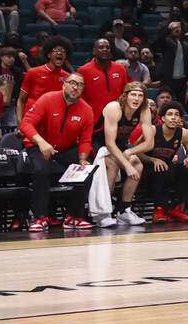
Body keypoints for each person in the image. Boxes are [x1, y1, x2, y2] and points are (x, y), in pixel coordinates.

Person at [21, 71, 94, 231]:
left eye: (80, 85)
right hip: (38, 145)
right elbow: (26, 124)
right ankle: (40, 217)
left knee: (85, 170)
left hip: (65, 148)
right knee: (42, 169)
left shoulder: (86, 110)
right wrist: (41, 142)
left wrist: (82, 158)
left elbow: (86, 140)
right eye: (72, 83)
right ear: (64, 84)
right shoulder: (47, 99)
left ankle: (74, 216)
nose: (76, 87)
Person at [98, 82, 156, 227]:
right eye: (133, 95)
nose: (137, 98)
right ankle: (104, 213)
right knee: (113, 164)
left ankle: (123, 210)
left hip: (120, 145)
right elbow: (109, 143)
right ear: (126, 96)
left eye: (140, 95)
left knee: (137, 164)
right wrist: (126, 165)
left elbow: (149, 143)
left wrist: (130, 152)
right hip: (98, 144)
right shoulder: (114, 107)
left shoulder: (144, 110)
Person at [142, 101, 188, 223]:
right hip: (147, 169)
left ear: (180, 118)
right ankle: (159, 210)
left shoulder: (183, 133)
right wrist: (153, 159)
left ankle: (175, 208)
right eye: (170, 114)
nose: (173, 117)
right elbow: (136, 151)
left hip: (167, 167)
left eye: (176, 115)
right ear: (162, 118)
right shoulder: (153, 130)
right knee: (161, 169)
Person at [16, 36, 73, 123]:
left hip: (54, 123)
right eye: (55, 50)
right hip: (32, 122)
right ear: (48, 54)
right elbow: (21, 101)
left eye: (63, 51)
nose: (59, 53)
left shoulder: (68, 78)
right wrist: (20, 124)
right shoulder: (33, 73)